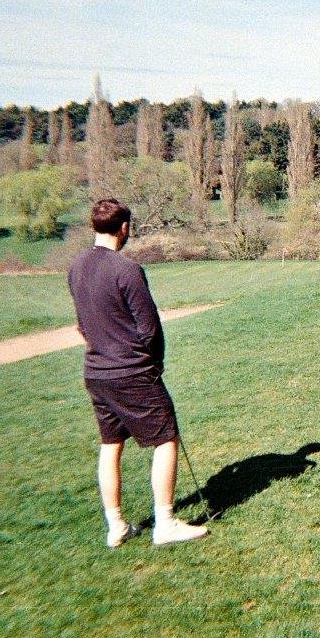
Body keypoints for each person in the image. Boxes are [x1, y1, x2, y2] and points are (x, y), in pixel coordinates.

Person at [68, 198, 208, 547]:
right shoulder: (127, 269)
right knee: (166, 438)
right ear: (124, 228)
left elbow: (82, 325)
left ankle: (116, 526)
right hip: (131, 372)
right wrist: (155, 363)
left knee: (110, 444)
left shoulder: (76, 266)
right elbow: (149, 329)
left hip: (96, 373)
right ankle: (166, 524)